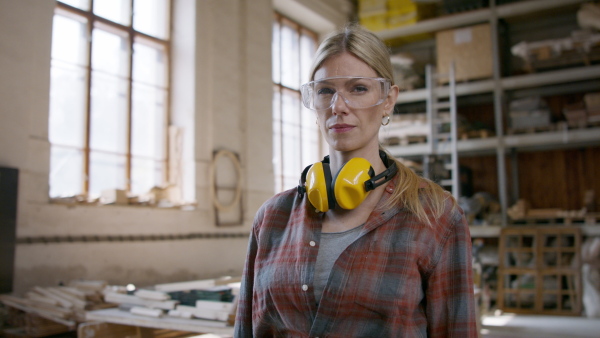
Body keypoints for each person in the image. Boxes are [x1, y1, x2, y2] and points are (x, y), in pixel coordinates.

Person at [234, 23, 477, 337]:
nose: (339, 107)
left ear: (388, 99)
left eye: (358, 89)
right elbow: (246, 329)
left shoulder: (435, 215)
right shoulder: (272, 217)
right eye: (325, 91)